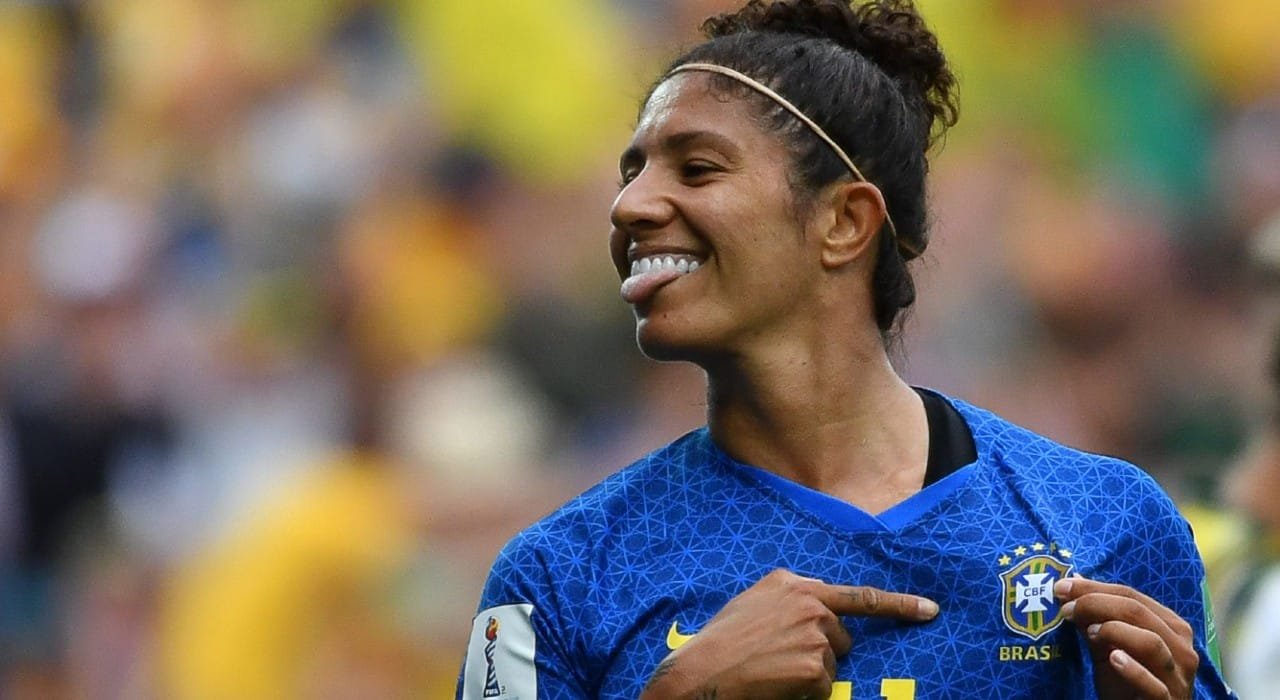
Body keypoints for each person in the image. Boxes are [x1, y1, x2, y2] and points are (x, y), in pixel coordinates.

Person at [456, 1, 1235, 697]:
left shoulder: (1107, 523)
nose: (630, 205)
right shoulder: (553, 581)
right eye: (632, 172)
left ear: (844, 223)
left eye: (696, 168)